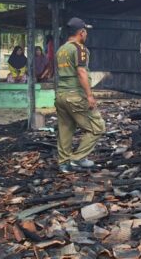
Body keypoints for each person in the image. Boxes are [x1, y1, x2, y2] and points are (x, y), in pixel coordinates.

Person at [55, 17, 105, 173]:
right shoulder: (79, 48)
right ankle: (77, 159)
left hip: (61, 95)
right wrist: (90, 96)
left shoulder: (61, 49)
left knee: (65, 128)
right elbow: (81, 71)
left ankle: (64, 163)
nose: (86, 34)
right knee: (97, 127)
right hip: (75, 95)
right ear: (81, 32)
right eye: (86, 31)